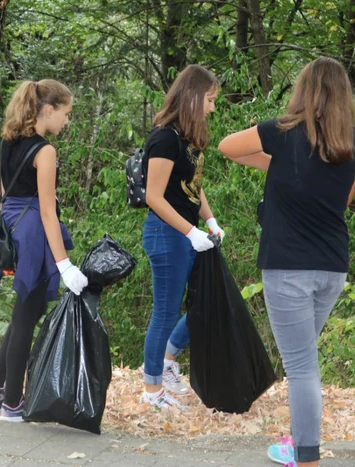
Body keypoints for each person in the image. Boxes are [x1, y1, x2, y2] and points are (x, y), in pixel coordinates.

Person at [218, 57, 355, 467]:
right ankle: (299, 441)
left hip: (288, 270)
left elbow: (226, 146)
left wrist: (277, 162)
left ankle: (306, 456)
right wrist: (282, 169)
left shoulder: (282, 132)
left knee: (301, 368)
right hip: (332, 269)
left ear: (305, 90)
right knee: (305, 361)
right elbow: (345, 199)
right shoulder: (354, 142)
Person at [0, 80, 88, 422]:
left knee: (31, 305)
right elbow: (47, 211)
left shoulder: (7, 141)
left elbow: (3, 195)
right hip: (34, 230)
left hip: (13, 225)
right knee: (26, 312)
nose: (66, 122)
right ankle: (11, 404)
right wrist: (64, 264)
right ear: (48, 110)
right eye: (66, 114)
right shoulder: (45, 151)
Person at [141, 65, 225, 409]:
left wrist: (210, 220)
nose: (212, 108)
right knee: (164, 311)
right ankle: (151, 390)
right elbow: (154, 197)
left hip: (188, 235)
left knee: (204, 303)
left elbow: (194, 187)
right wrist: (190, 232)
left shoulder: (189, 140)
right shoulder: (164, 138)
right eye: (209, 100)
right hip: (167, 235)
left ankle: (169, 361)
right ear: (192, 97)